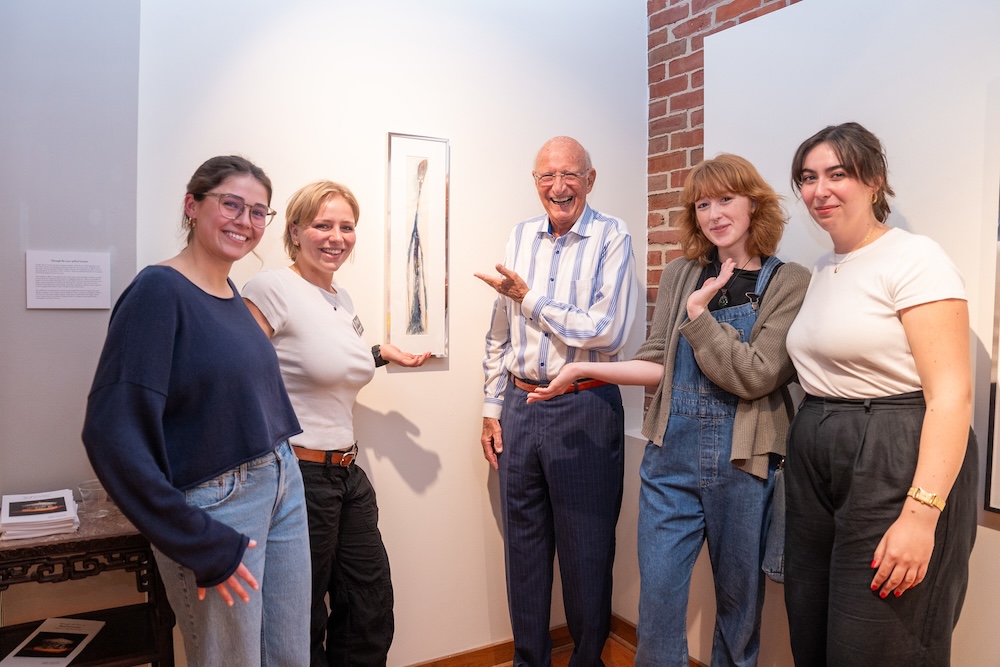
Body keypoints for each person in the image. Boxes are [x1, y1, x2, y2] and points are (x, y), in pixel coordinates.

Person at [529, 154, 809, 666]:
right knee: (656, 608)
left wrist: (700, 318)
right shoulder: (682, 273)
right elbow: (659, 361)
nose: (714, 213)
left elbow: (757, 375)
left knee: (738, 611)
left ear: (754, 204)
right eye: (703, 204)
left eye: (726, 199)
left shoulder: (788, 281)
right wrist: (584, 371)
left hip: (744, 467)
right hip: (668, 461)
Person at [82, 156, 310, 666]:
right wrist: (199, 541)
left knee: (290, 656)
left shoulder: (230, 292)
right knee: (232, 660)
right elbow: (110, 433)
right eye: (231, 204)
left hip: (280, 484)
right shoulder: (158, 292)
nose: (244, 221)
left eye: (258, 212)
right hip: (219, 504)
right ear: (192, 205)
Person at [783, 122, 978, 666]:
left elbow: (951, 395)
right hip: (820, 452)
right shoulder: (823, 269)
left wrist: (921, 516)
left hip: (894, 452)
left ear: (874, 180)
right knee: (813, 628)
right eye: (808, 177)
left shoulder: (915, 259)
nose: (819, 190)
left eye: (837, 174)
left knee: (875, 642)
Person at [243, 180, 429, 667]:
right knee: (300, 616)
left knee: (370, 606)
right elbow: (240, 376)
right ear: (296, 230)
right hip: (298, 478)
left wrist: (380, 354)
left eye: (347, 226)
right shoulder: (271, 288)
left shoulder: (339, 298)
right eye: (323, 225)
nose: (336, 237)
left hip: (347, 473)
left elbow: (320, 363)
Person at [476, 136, 638, 666]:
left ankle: (587, 660)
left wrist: (532, 299)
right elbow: (500, 331)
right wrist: (491, 409)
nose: (558, 186)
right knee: (523, 554)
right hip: (520, 408)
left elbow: (607, 332)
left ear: (590, 180)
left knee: (586, 553)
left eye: (570, 175)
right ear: (535, 183)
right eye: (547, 176)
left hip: (585, 409)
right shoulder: (520, 236)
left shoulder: (613, 236)